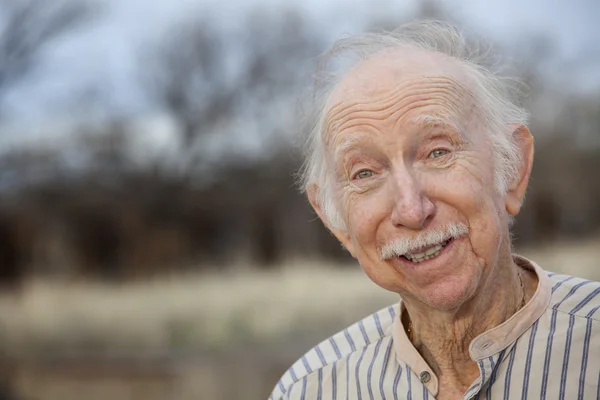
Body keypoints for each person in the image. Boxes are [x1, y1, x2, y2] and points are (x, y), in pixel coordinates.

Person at [269, 20, 600, 400]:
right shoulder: (311, 389)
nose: (412, 210)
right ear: (336, 222)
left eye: (438, 152)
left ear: (512, 169)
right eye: (364, 173)